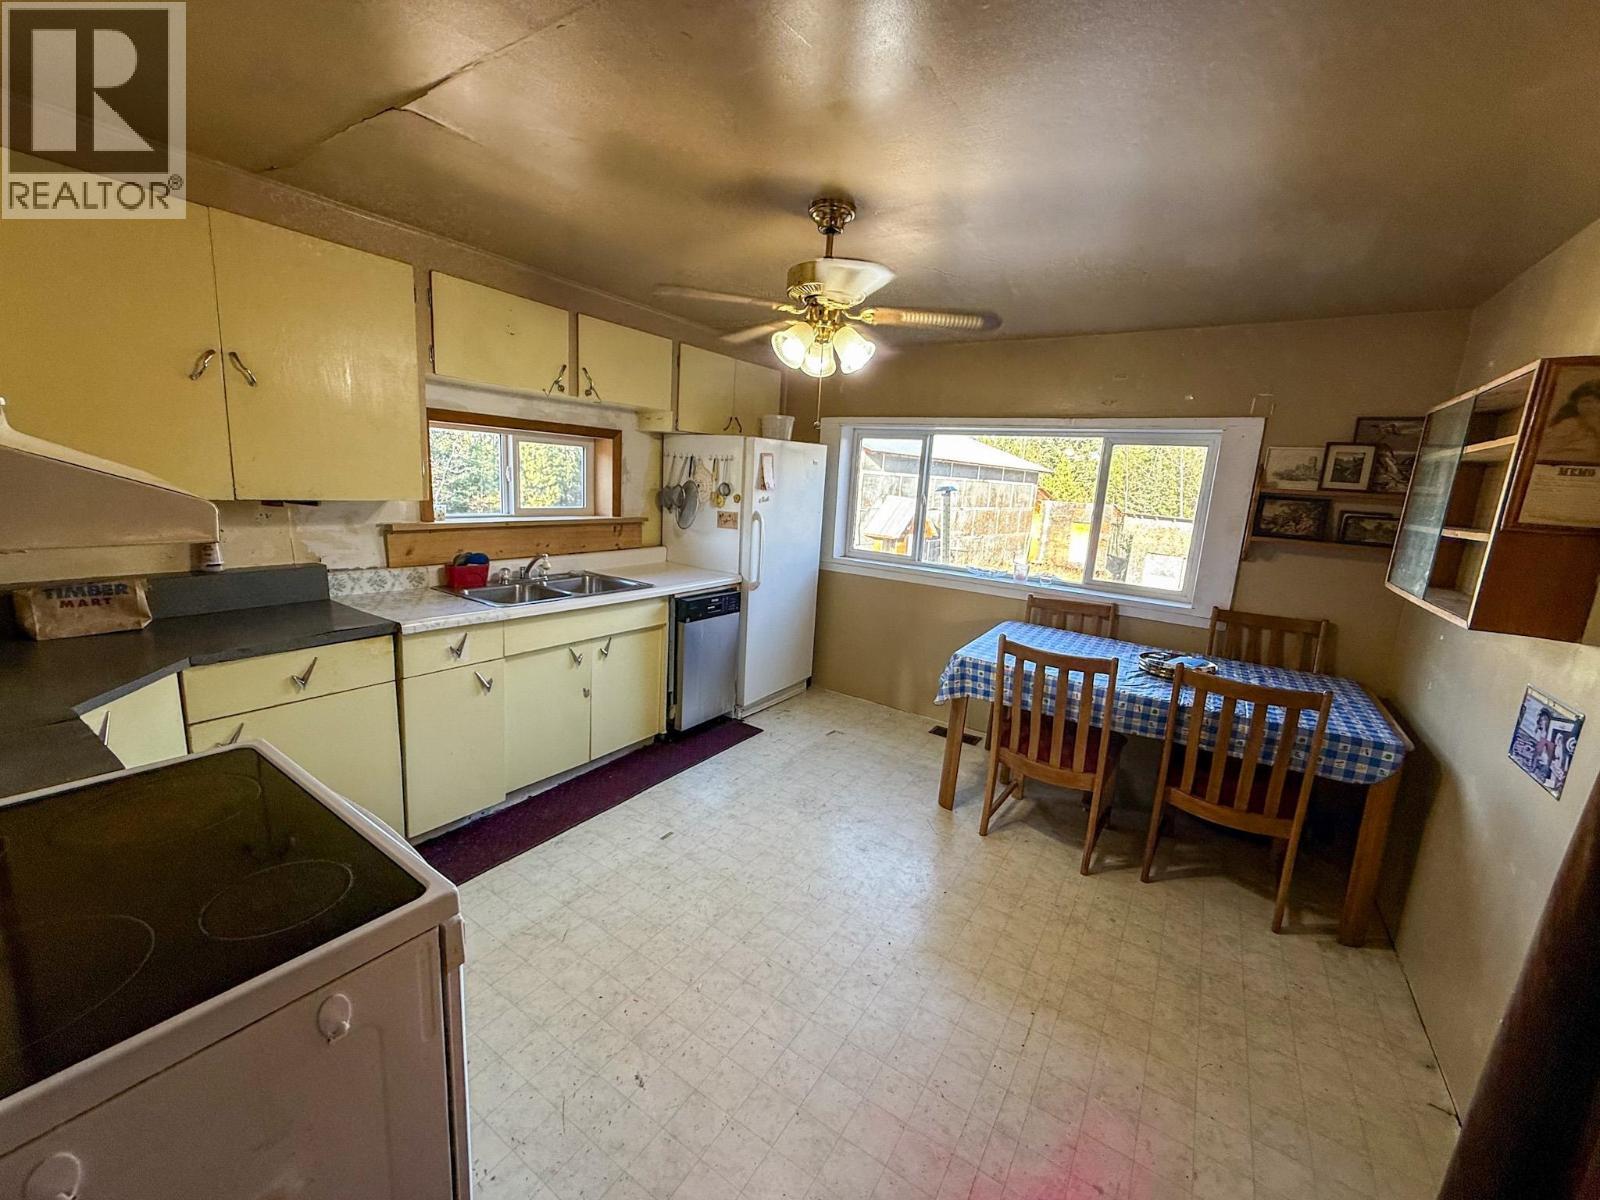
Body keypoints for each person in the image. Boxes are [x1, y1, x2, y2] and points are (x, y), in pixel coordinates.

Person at [1541, 379, 1600, 464]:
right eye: (1585, 402)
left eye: (1597, 402)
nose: (1591, 406)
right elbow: (1546, 449)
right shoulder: (1569, 424)